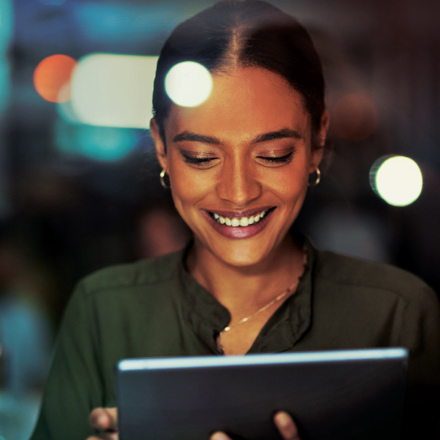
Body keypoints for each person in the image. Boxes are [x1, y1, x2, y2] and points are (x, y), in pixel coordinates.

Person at [30, 1, 440, 439]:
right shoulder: (104, 311)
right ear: (162, 149)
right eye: (202, 157)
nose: (239, 192)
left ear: (317, 143)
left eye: (273, 155)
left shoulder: (394, 313)